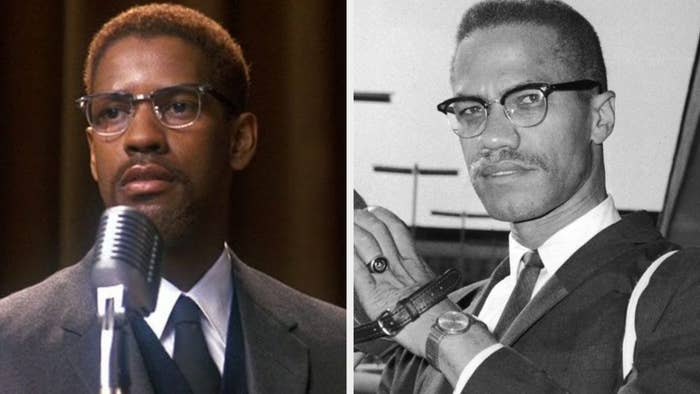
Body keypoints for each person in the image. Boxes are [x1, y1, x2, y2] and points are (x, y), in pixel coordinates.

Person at [354, 0, 700, 392]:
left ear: (599, 117)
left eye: (528, 99)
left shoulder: (677, 288)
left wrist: (445, 332)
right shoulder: (450, 312)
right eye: (470, 109)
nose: (493, 138)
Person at [0, 4, 344, 393]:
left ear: (239, 140)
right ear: (93, 153)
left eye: (179, 105)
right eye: (113, 112)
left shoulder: (335, 346)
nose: (141, 136)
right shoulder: (8, 346)